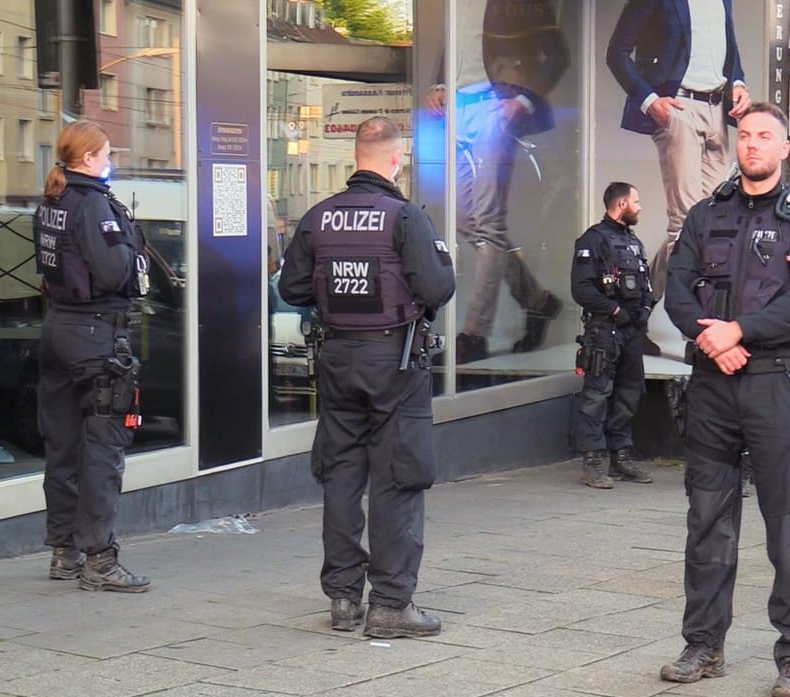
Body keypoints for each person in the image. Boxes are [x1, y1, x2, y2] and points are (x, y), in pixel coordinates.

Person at [662, 102, 790, 697]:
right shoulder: (705, 213)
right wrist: (710, 338)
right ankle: (702, 645)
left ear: (785, 148)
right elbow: (676, 290)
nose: (753, 145)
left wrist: (740, 332)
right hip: (714, 386)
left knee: (787, 523)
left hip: (777, 384)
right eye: (746, 136)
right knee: (707, 521)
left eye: (765, 136)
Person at [279, 116, 457, 635]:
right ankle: (391, 604)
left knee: (341, 476)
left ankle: (342, 598)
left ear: (355, 155)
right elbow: (436, 288)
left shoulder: (319, 218)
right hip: (393, 362)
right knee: (398, 477)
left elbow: (292, 289)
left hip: (338, 360)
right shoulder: (405, 218)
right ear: (396, 159)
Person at [33, 120, 151, 592]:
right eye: (105, 155)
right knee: (104, 444)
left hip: (58, 327)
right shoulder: (94, 204)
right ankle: (99, 557)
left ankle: (64, 550)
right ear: (88, 159)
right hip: (96, 333)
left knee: (62, 444)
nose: (110, 162)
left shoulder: (53, 201)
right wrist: (133, 257)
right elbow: (113, 272)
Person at [607, 0, 750, 352]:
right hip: (678, 109)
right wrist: (649, 100)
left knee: (712, 224)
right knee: (687, 226)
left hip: (718, 111)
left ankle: (636, 309)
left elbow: (727, 47)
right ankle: (697, 336)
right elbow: (617, 53)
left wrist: (739, 82)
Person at [428, 0, 567, 363]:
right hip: (457, 109)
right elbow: (456, 46)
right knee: (463, 221)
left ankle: (475, 333)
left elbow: (556, 55)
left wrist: (524, 99)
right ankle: (538, 301)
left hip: (494, 107)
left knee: (488, 225)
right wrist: (440, 84)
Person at [571, 182, 655, 489]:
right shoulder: (592, 240)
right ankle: (593, 459)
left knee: (629, 393)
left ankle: (621, 455)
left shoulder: (633, 242)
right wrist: (615, 311)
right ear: (621, 204)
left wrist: (645, 310)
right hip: (604, 331)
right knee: (596, 394)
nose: (640, 207)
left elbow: (646, 286)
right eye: (636, 201)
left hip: (632, 331)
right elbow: (581, 289)